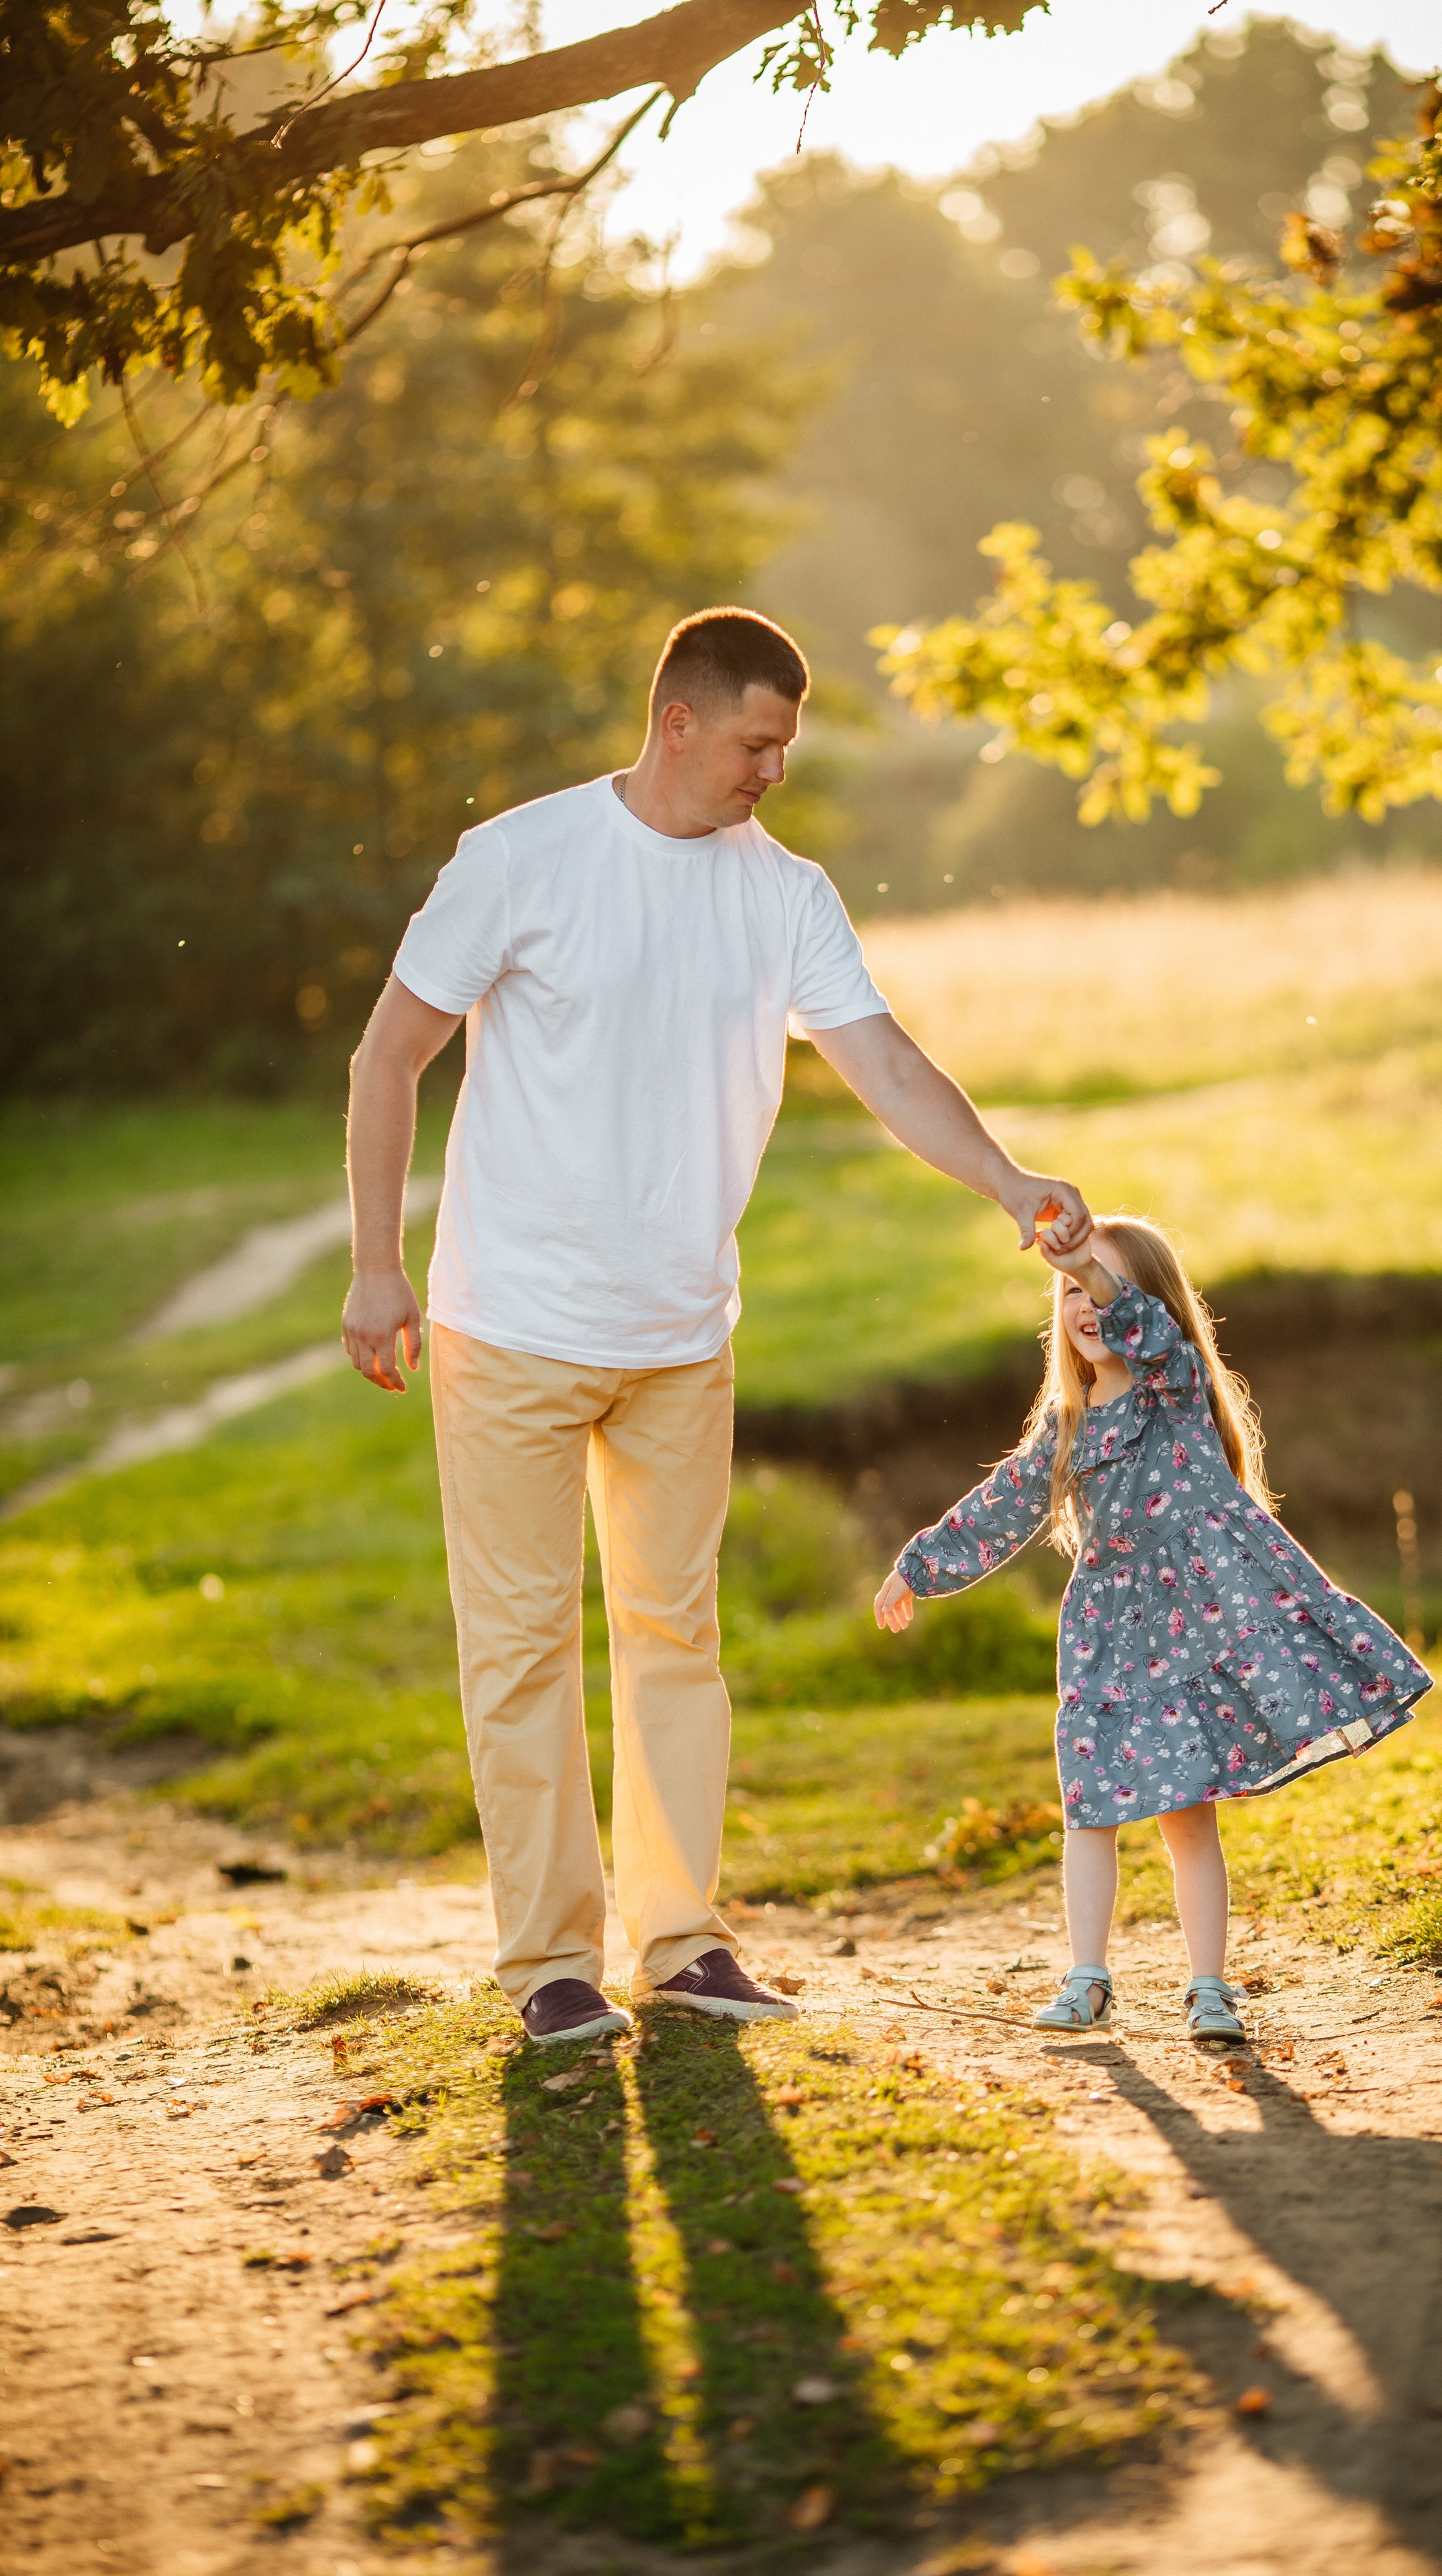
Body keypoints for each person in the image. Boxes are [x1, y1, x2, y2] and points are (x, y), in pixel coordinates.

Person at [340, 606, 1092, 2049]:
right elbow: (388, 1057)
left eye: (785, 747)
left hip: (682, 1337)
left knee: (675, 1640)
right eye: (756, 742)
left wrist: (1007, 1180)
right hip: (511, 1327)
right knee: (521, 1650)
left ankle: (681, 1943)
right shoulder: (520, 859)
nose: (773, 770)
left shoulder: (785, 894)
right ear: (678, 721)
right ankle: (549, 1964)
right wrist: (379, 1267)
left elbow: (883, 1061)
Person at [874, 1214, 1431, 2041]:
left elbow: (1153, 1335)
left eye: (1103, 1288)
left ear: (1146, 1304)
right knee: (1088, 1808)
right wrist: (918, 1566)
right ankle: (1087, 1979)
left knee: (1189, 1815)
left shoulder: (1174, 1390)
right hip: (1108, 1635)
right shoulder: (1065, 1426)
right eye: (1069, 1289)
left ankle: (1209, 1988)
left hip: (1197, 1629)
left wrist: (1093, 1271)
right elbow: (1001, 1506)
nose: (1086, 1304)